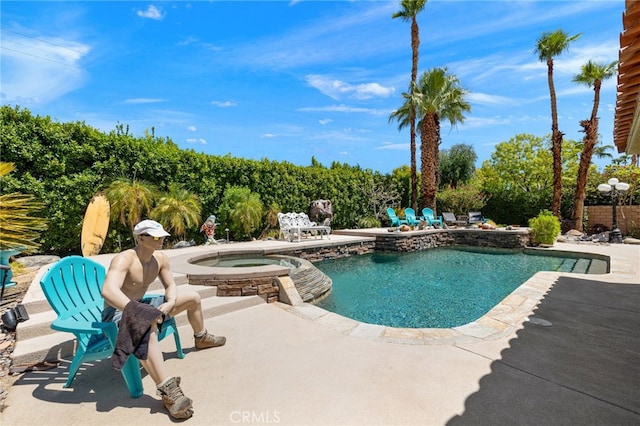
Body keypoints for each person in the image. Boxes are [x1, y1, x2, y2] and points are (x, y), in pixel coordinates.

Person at [101, 219, 226, 419]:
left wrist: (171, 301)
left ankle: (201, 337)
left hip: (142, 303)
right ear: (141, 238)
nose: (161, 240)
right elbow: (108, 290)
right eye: (156, 237)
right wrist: (135, 310)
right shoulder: (125, 259)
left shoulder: (160, 258)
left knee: (193, 298)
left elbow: (170, 285)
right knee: (146, 323)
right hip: (118, 310)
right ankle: (168, 391)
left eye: (162, 236)